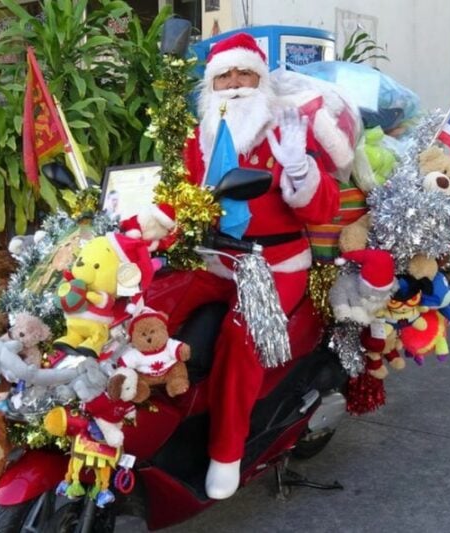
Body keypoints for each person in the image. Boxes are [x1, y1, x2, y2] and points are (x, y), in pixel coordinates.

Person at [158, 32, 342, 499]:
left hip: (273, 265)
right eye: (225, 75)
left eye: (246, 73)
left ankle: (226, 453)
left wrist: (300, 172)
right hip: (213, 259)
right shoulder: (196, 134)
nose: (236, 83)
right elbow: (177, 200)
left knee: (241, 338)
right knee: (146, 305)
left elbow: (321, 210)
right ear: (211, 84)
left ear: (260, 81)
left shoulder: (285, 129)